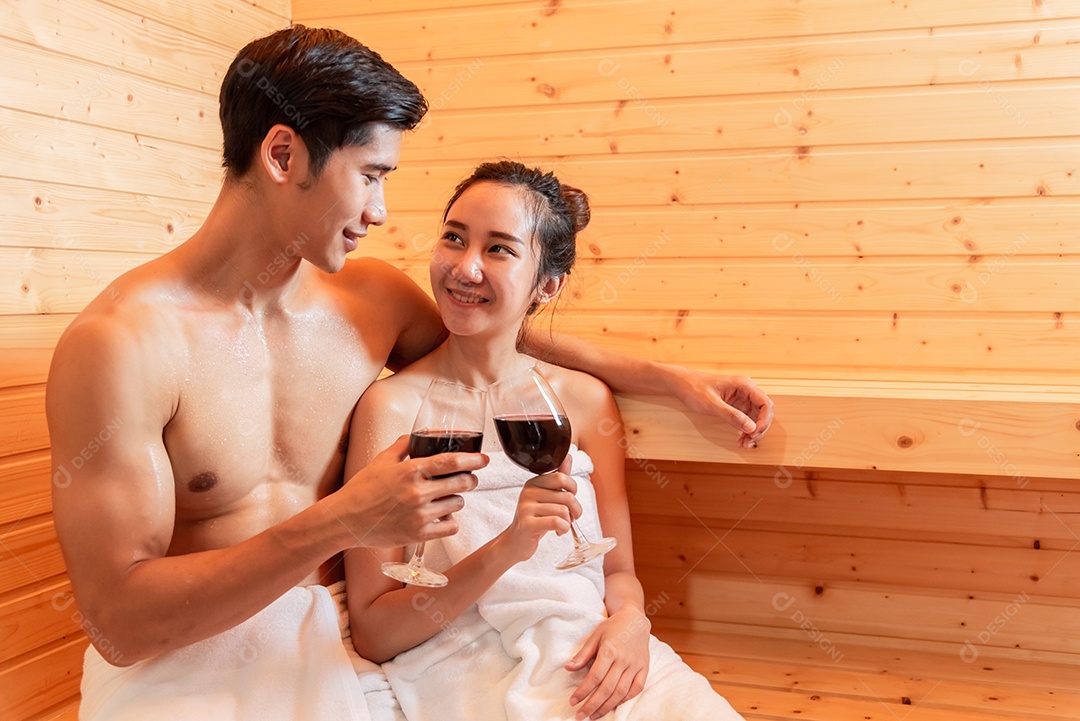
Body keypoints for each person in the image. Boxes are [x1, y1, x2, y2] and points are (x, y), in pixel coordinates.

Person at [46, 25, 771, 720]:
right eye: (369, 176)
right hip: (183, 657)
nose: (380, 212)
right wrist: (338, 521)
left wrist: (669, 380)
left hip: (328, 641)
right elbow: (120, 625)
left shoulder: (371, 303)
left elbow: (497, 341)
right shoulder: (121, 344)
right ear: (281, 154)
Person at [345, 161, 746, 721]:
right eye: (454, 238)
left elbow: (616, 571)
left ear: (548, 285)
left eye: (499, 250)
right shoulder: (391, 409)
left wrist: (632, 623)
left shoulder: (581, 402)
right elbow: (373, 631)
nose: (465, 268)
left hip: (596, 649)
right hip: (464, 663)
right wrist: (508, 547)